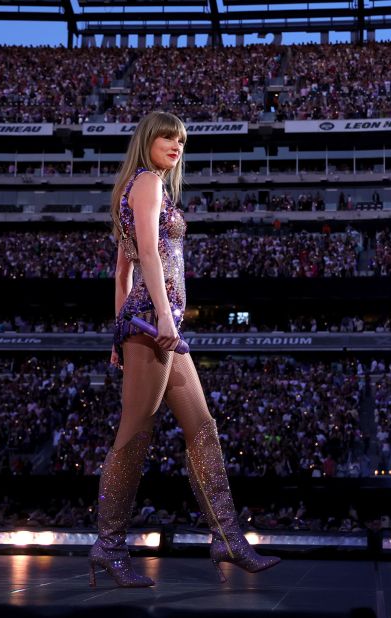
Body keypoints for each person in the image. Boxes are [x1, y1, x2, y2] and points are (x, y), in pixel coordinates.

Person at [89, 110, 280, 587]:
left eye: (181, 140)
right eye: (167, 138)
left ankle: (227, 537)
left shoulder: (138, 187)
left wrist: (120, 329)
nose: (176, 145)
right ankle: (109, 545)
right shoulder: (149, 183)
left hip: (151, 322)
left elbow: (121, 271)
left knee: (202, 427)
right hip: (156, 323)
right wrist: (164, 317)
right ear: (147, 142)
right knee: (134, 434)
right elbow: (149, 255)